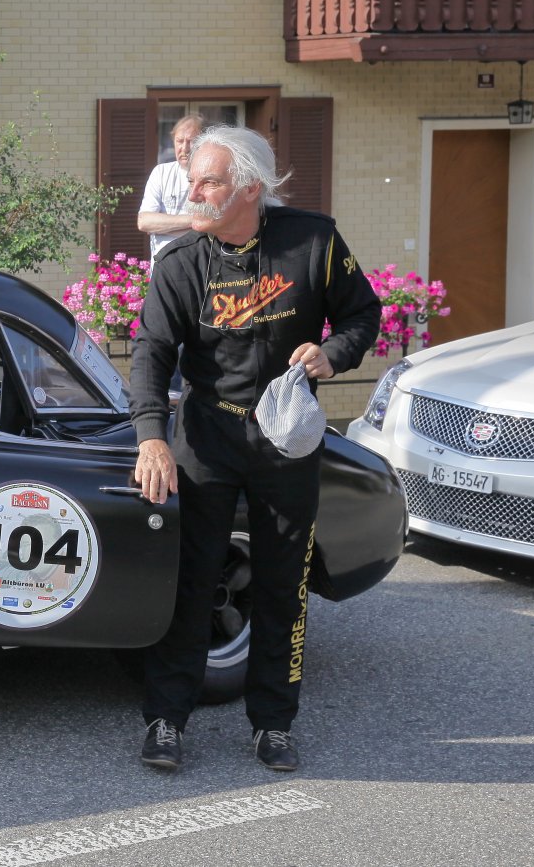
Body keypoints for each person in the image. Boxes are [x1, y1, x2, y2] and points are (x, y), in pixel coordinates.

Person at [128, 125, 379, 775]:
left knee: (283, 586)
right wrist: (151, 436)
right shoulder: (181, 261)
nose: (193, 192)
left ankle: (273, 724)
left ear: (250, 188)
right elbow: (151, 353)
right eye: (193, 180)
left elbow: (363, 314)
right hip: (206, 440)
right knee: (191, 582)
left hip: (286, 442)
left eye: (208, 182)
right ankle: (165, 718)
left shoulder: (314, 241)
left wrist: (333, 353)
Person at [137, 114, 204, 261]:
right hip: (163, 264)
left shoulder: (211, 178)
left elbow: (212, 225)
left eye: (191, 141)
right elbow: (144, 222)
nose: (184, 148)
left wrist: (163, 226)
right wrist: (195, 220)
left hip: (199, 263)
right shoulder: (161, 173)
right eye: (179, 141)